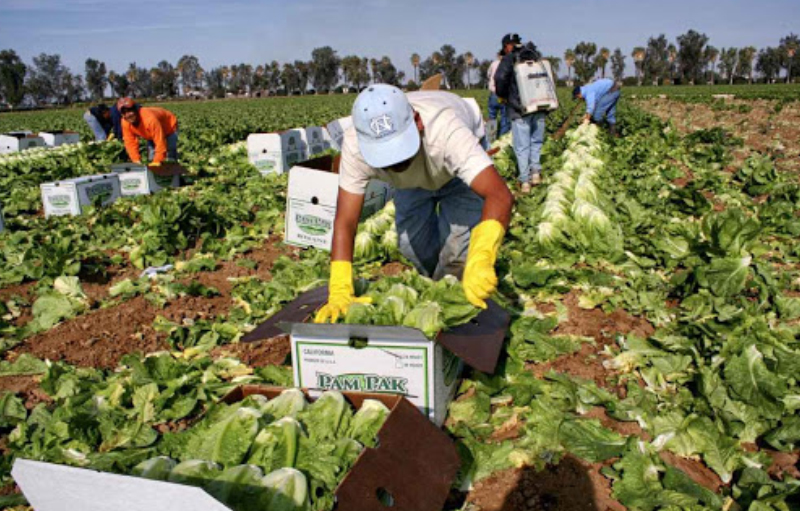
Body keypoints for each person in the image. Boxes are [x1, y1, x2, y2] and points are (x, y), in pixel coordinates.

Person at [314, 84, 514, 322]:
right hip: (410, 182)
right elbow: (345, 220)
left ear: (417, 122)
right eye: (384, 155)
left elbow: (499, 195)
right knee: (411, 246)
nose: (394, 161)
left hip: (453, 172)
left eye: (398, 149)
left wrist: (482, 257)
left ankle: (456, 309)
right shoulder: (355, 145)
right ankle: (439, 287)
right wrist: (339, 287)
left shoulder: (448, 132)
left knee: (459, 254)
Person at [494, 33, 547, 193]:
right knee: (536, 141)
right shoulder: (535, 55)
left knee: (522, 146)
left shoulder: (510, 58)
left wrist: (503, 95)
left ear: (508, 46)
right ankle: (536, 173)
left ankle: (525, 182)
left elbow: (500, 78)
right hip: (540, 106)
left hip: (520, 109)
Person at [117, 97, 179, 165]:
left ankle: (174, 172)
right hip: (150, 134)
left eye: (129, 111)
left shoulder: (149, 119)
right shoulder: (125, 122)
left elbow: (160, 142)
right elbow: (130, 142)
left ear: (135, 109)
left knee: (170, 152)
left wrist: (157, 161)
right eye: (124, 113)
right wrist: (136, 160)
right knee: (151, 157)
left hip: (169, 126)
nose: (127, 115)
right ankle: (156, 173)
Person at [487, 50, 510, 141]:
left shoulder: (493, 64)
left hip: (494, 94)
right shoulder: (508, 65)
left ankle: (490, 140)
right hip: (504, 95)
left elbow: (489, 75)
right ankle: (501, 141)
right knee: (505, 118)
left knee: (492, 117)